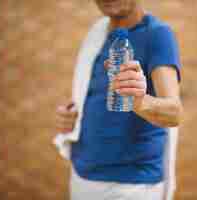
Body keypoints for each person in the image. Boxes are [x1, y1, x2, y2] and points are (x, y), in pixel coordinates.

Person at [54, 0, 182, 199]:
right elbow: (88, 92)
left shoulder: (157, 35)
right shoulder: (97, 33)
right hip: (82, 175)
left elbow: (174, 113)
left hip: (132, 186)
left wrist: (139, 102)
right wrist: (71, 116)